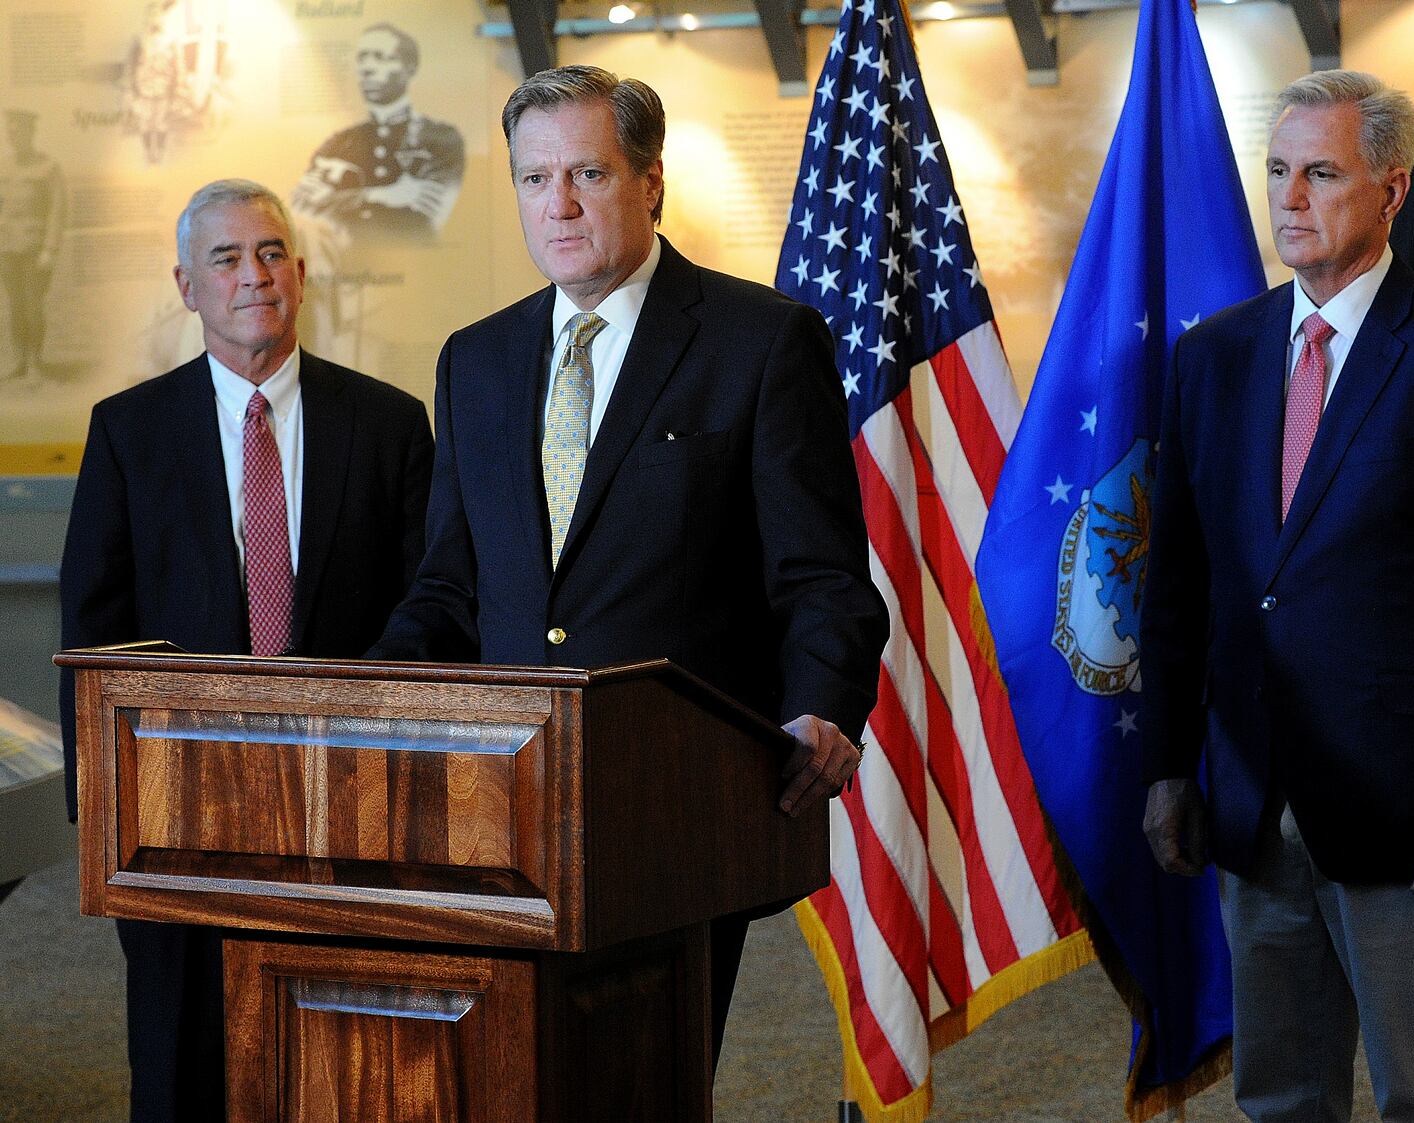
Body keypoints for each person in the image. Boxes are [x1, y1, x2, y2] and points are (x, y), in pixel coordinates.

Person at [367, 64, 888, 1063]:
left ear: (650, 180)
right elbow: (449, 585)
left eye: (588, 176)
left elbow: (820, 576)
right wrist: (359, 696)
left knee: (642, 1072)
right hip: (498, 805)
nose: (556, 204)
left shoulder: (761, 341)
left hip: (677, 801)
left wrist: (823, 703)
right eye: (532, 179)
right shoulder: (473, 359)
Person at [1139, 70, 1414, 1122]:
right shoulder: (1213, 359)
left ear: (1392, 188)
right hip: (1252, 801)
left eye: (1321, 173)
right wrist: (1166, 767)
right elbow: (1180, 585)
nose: (1289, 198)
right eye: (1278, 171)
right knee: (1280, 1097)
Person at [59, 179, 433, 1122]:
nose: (252, 275)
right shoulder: (128, 430)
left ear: (301, 275)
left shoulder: (388, 424)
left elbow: (432, 602)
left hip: (350, 798)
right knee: (182, 1057)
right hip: (176, 808)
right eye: (225, 258)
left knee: (349, 1056)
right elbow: (92, 626)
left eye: (269, 252)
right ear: (187, 287)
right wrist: (101, 813)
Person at [291, 22, 464, 244]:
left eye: (381, 57)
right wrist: (382, 195)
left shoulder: (440, 139)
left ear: (409, 68)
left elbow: (430, 214)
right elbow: (303, 208)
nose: (367, 67)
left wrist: (337, 200)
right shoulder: (339, 142)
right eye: (362, 58)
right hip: (345, 262)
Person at [0, 108, 65, 380]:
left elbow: (57, 210)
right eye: (10, 131)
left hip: (35, 250)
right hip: (7, 248)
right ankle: (18, 360)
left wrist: (49, 249)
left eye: (20, 131)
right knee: (15, 306)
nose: (14, 136)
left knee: (33, 306)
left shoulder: (48, 167)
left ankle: (35, 362)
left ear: (30, 133)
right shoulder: (4, 165)